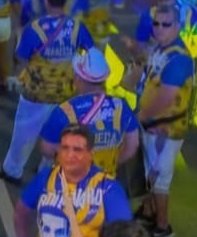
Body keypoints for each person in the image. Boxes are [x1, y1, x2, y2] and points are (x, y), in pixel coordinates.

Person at [16, 123, 129, 237]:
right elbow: (21, 210)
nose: (69, 155)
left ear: (91, 154)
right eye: (65, 148)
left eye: (78, 150)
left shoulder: (107, 188)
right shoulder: (45, 178)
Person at [0, 0, 94, 185]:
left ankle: (12, 170)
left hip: (36, 92)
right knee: (58, 134)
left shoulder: (35, 28)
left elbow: (21, 57)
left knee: (24, 134)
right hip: (65, 92)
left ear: (47, 1)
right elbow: (89, 51)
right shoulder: (77, 27)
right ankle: (46, 169)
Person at [135, 1, 196, 237]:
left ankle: (162, 226)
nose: (159, 29)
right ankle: (149, 211)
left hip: (166, 130)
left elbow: (167, 97)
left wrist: (141, 116)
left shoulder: (179, 59)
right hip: (153, 126)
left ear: (178, 26)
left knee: (160, 180)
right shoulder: (160, 49)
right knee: (149, 172)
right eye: (156, 24)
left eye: (165, 25)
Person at [38, 47, 139, 179]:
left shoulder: (65, 111)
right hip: (103, 183)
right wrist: (112, 163)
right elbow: (133, 145)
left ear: (79, 79)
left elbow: (47, 149)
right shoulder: (122, 107)